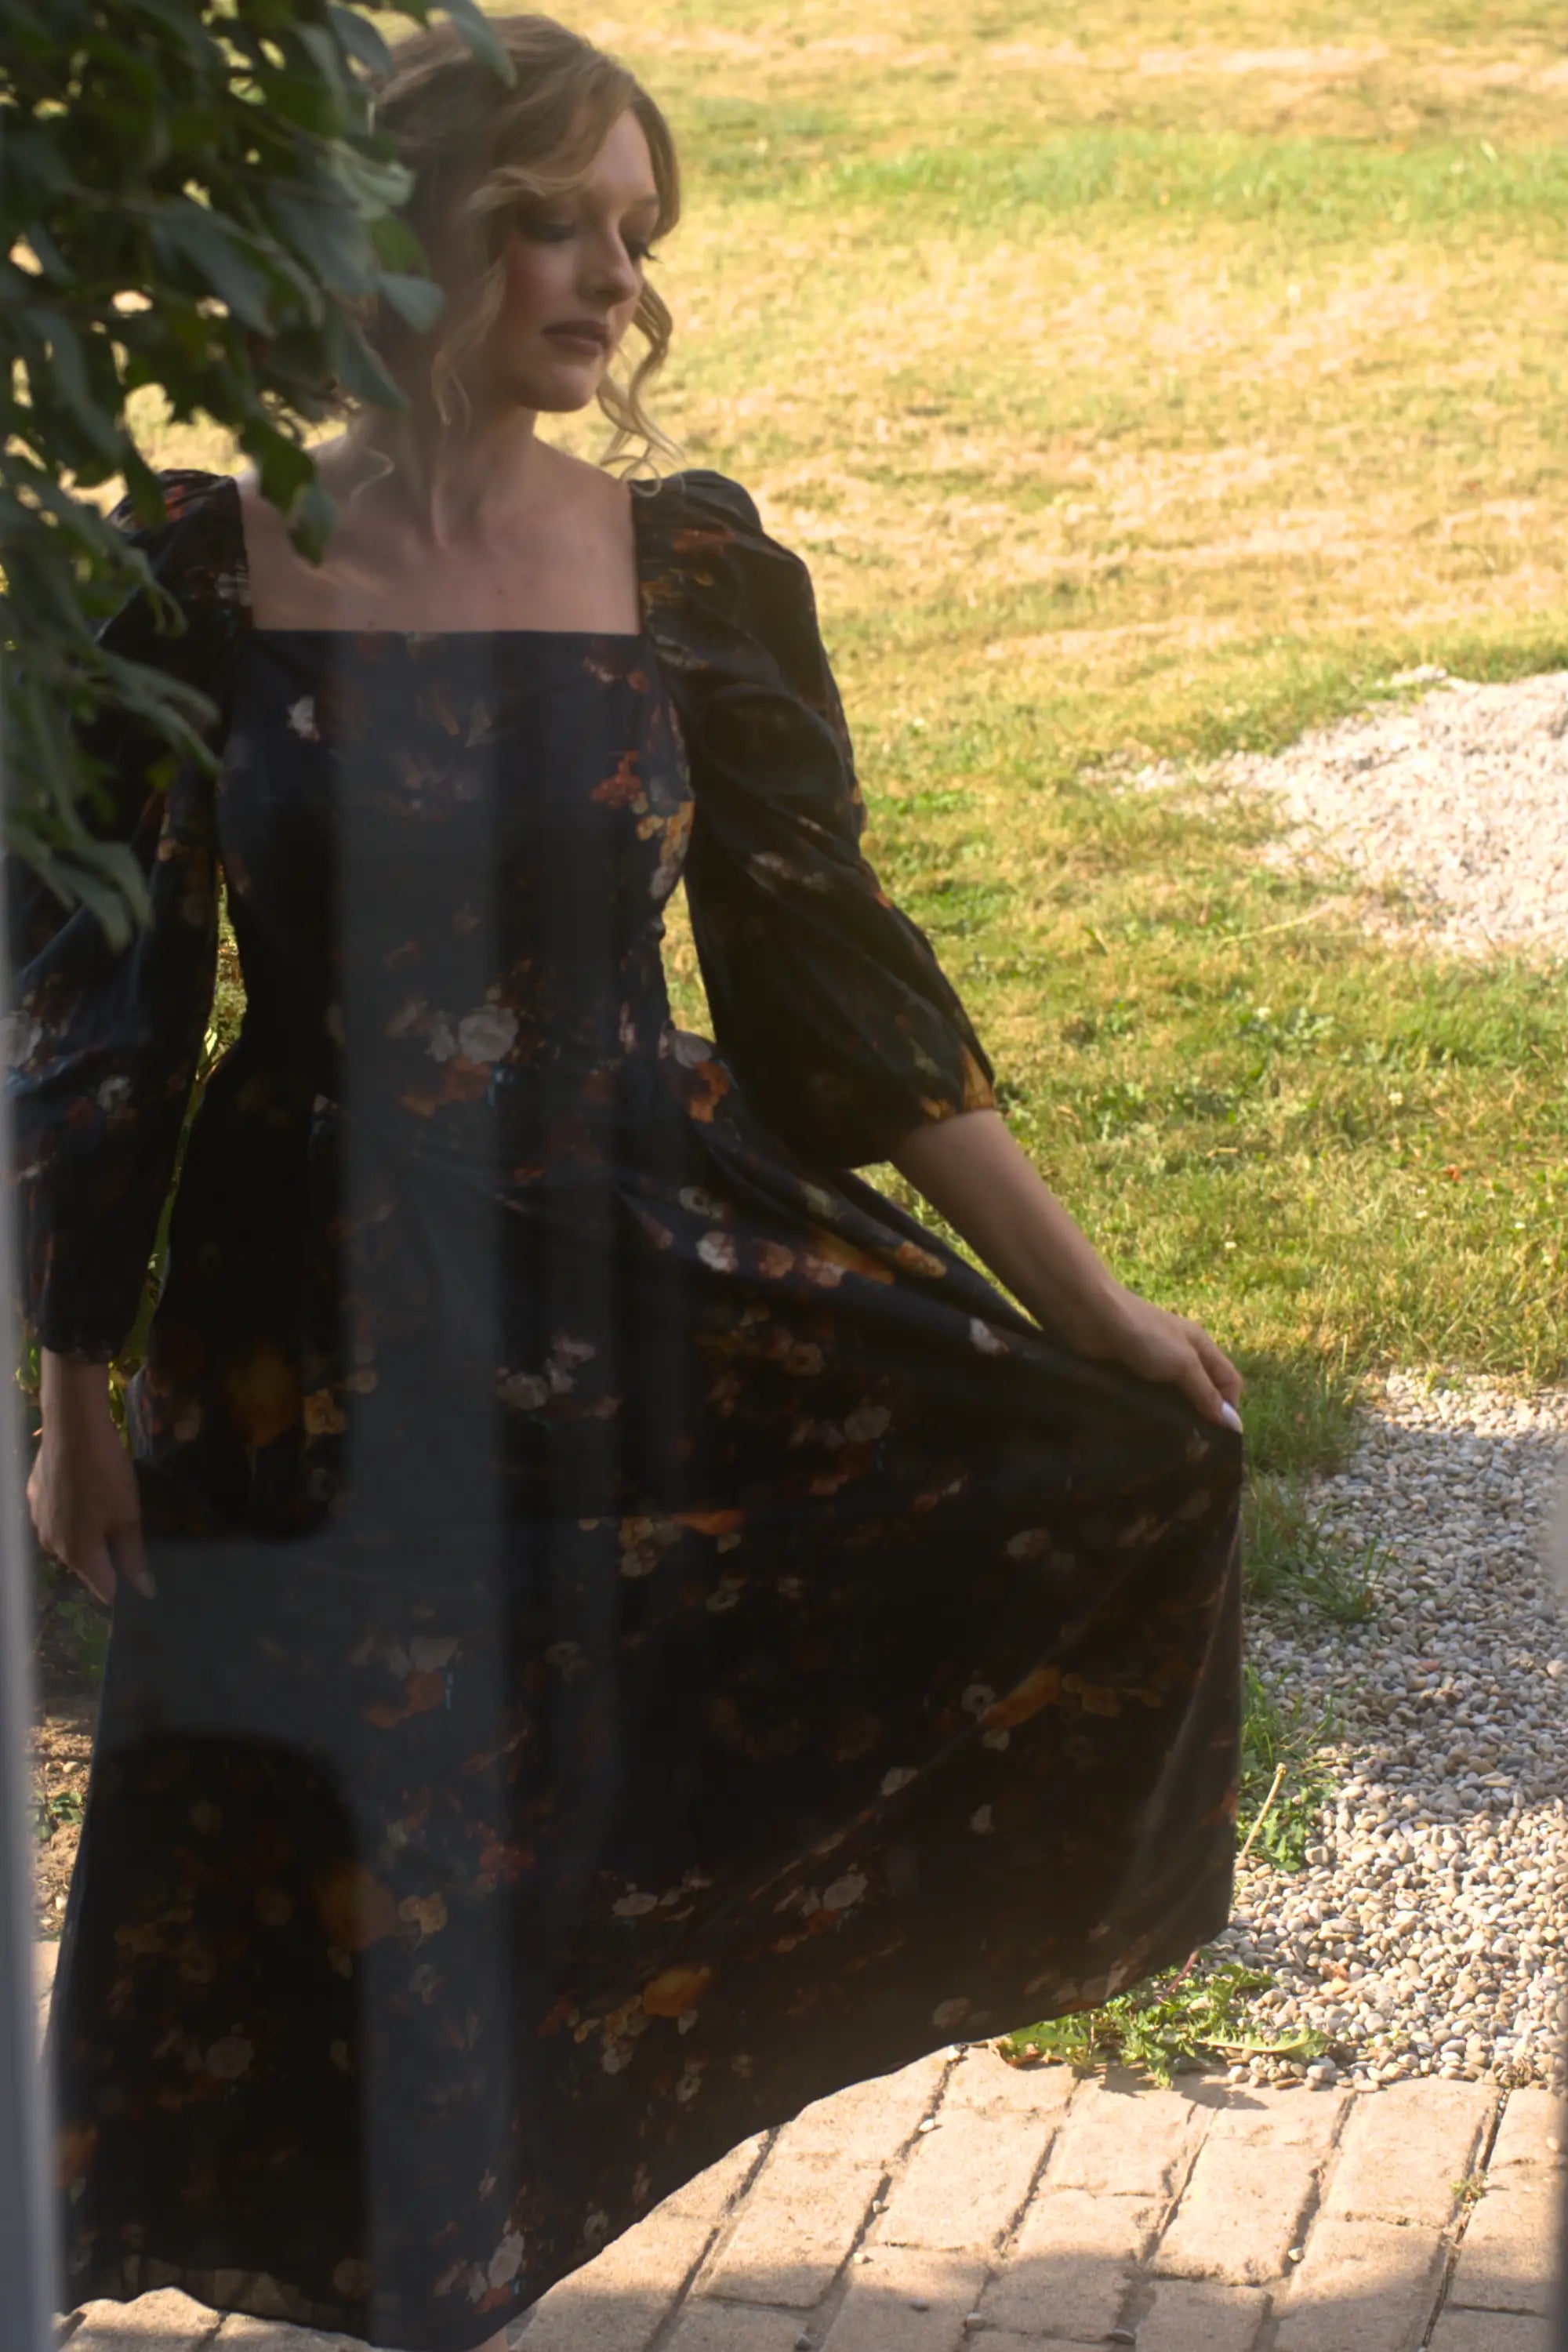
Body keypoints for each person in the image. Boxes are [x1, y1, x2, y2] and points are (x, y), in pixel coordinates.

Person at [11, 16, 1245, 2350]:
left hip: (638, 1307)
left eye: (633, 236)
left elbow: (839, 989)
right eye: (547, 227)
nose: (607, 284)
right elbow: (110, 1008)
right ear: (405, 236)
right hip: (304, 1339)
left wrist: (1087, 1319)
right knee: (330, 1891)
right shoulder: (189, 562)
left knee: (529, 1880)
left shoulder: (685, 572)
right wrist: (70, 1379)